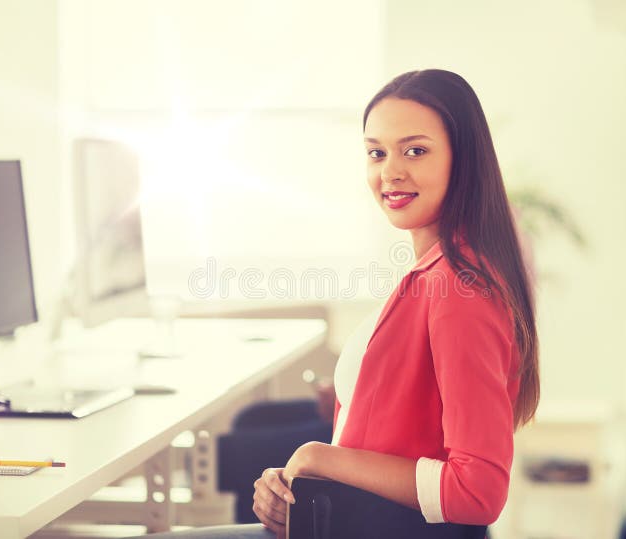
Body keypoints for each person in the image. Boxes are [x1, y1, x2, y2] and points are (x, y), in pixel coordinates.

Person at [132, 68, 539, 539]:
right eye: (376, 153)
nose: (390, 171)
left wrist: (317, 457)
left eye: (415, 150)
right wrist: (290, 490)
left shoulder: (461, 289)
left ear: (463, 160)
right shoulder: (433, 270)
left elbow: (479, 490)